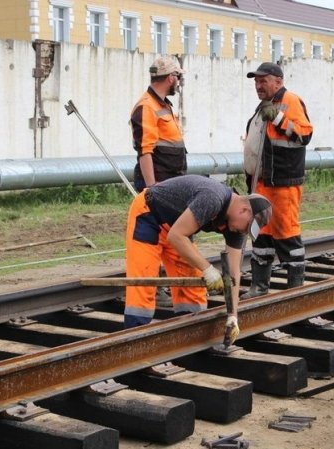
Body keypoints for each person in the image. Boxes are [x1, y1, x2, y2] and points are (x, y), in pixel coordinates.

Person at [124, 174, 272, 346]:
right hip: (149, 216)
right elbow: (176, 236)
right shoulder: (212, 198)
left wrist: (233, 315)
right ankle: (136, 346)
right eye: (248, 226)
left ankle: (187, 342)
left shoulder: (236, 228)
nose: (245, 231)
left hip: (177, 227)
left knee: (192, 294)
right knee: (143, 284)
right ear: (244, 210)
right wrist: (208, 269)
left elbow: (233, 273)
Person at [241, 62, 313, 299]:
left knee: (286, 233)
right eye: (256, 82)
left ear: (278, 81)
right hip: (262, 183)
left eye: (263, 81)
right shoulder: (262, 106)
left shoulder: (290, 101)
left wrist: (280, 119)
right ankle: (259, 287)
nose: (258, 86)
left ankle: (295, 290)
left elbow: (305, 134)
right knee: (261, 234)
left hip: (284, 183)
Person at [130, 56, 187, 192]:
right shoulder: (146, 106)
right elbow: (145, 151)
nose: (179, 82)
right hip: (160, 183)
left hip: (170, 179)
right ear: (170, 78)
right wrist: (152, 189)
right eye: (178, 76)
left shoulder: (162, 105)